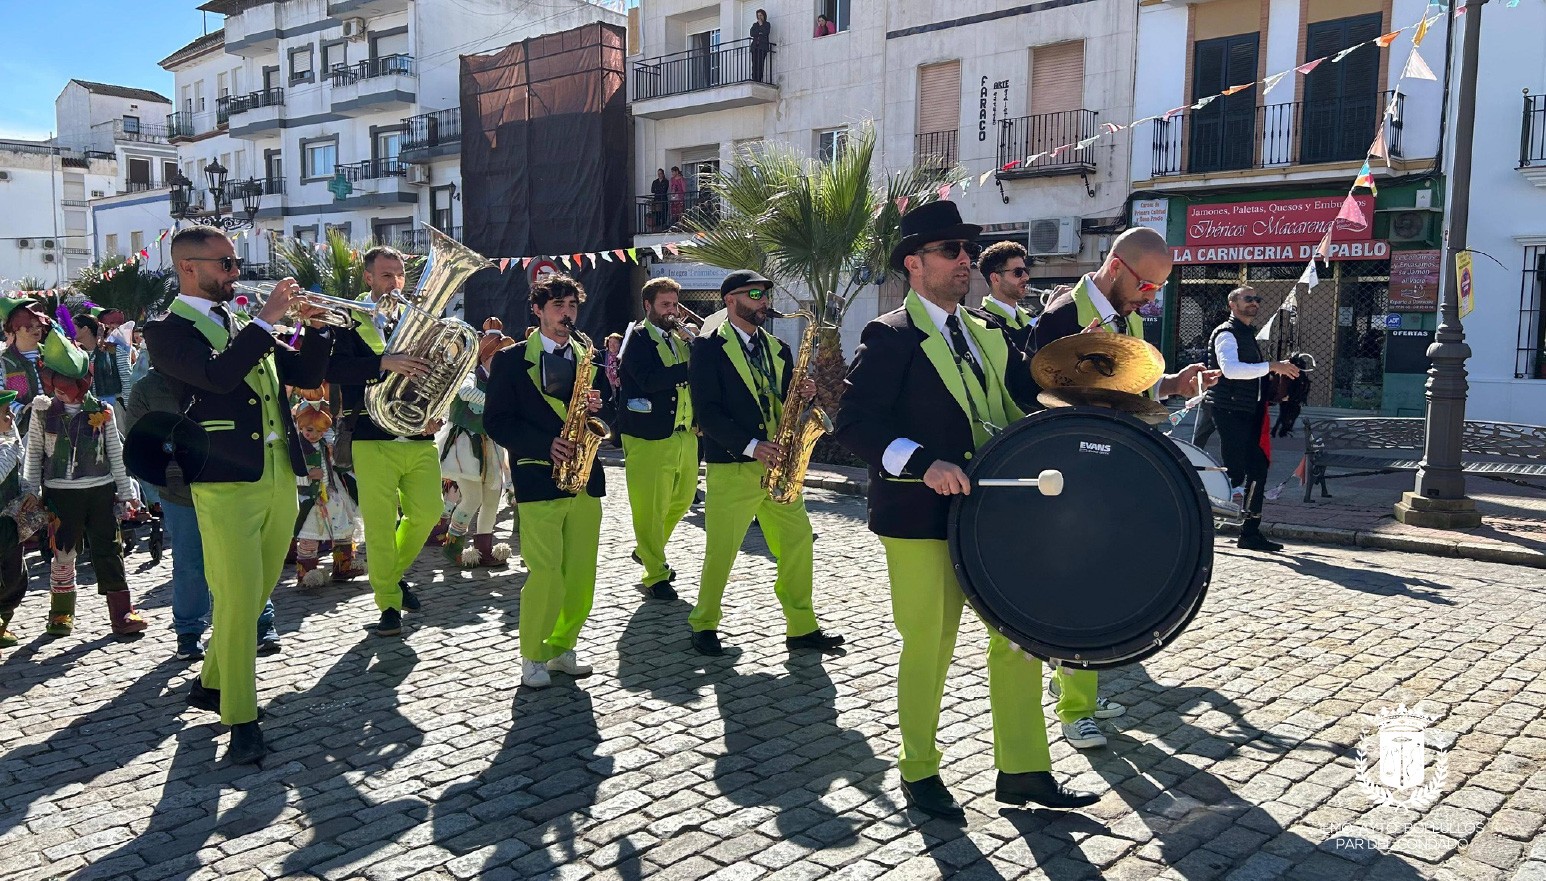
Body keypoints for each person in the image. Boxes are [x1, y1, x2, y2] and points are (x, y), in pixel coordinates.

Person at [834, 201, 1098, 820]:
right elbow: (854, 424)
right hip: (917, 518)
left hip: (994, 515)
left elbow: (1024, 404)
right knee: (929, 644)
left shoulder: (985, 332)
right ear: (914, 263)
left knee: (1018, 640)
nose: (964, 261)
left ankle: (1025, 771)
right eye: (949, 251)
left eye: (964, 250)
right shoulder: (891, 334)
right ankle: (919, 771)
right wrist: (923, 461)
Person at [144, 224, 330, 765]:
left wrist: (317, 329)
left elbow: (304, 373)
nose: (235, 273)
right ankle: (242, 718)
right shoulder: (167, 330)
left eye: (234, 262)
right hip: (222, 481)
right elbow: (218, 378)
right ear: (188, 268)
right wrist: (268, 319)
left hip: (276, 474)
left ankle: (210, 681)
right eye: (224, 264)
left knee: (255, 592)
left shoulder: (238, 321)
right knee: (240, 596)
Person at [1030, 226, 1217, 752]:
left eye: (1158, 290)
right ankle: (1075, 709)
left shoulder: (1125, 316)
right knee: (1076, 588)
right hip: (1067, 470)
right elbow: (1035, 394)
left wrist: (1173, 384)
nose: (1150, 298)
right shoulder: (1061, 316)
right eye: (1147, 286)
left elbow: (1128, 388)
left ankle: (1075, 687)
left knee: (1095, 580)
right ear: (1117, 267)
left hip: (1107, 464)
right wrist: (1075, 366)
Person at [686, 269, 844, 657]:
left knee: (798, 543)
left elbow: (785, 399)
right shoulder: (708, 348)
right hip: (734, 465)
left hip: (781, 465)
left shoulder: (778, 347)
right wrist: (752, 445)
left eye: (766, 295)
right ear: (730, 301)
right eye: (755, 294)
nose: (764, 302)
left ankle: (802, 627)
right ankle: (703, 623)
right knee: (721, 550)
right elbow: (707, 414)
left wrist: (805, 393)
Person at [484, 274, 605, 689]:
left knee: (581, 575)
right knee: (546, 573)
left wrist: (597, 405)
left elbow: (609, 417)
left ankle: (563, 646)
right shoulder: (511, 360)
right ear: (537, 310)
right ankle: (533, 654)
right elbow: (496, 421)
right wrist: (543, 443)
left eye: (572, 306)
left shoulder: (587, 356)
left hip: (585, 478)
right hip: (538, 476)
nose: (567, 314)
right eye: (558, 306)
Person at [123, 364, 281, 660]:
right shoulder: (147, 388)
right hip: (180, 490)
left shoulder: (218, 372)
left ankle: (261, 622)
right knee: (189, 563)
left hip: (227, 484)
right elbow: (137, 440)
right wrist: (158, 482)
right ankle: (189, 632)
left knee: (243, 555)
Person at [325, 245, 438, 637]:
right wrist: (382, 363)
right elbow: (333, 368)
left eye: (400, 274)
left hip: (416, 432)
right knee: (379, 524)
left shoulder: (418, 316)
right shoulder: (347, 318)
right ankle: (388, 602)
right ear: (368, 278)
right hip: (370, 433)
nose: (395, 282)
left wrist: (437, 405)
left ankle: (391, 574)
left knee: (427, 512)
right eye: (386, 275)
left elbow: (437, 369)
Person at [23, 359, 145, 638]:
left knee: (109, 549)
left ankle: (122, 612)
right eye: (56, 387)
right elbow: (34, 453)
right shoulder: (43, 412)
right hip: (60, 494)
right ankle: (61, 611)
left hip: (101, 492)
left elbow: (115, 452)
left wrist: (126, 493)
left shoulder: (103, 411)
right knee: (63, 552)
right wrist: (31, 490)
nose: (60, 393)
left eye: (66, 388)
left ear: (82, 385)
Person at [618, 277, 697, 601]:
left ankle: (647, 549)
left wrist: (696, 345)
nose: (672, 311)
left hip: (684, 433)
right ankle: (655, 572)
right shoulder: (637, 339)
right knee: (650, 508)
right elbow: (650, 380)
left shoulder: (679, 339)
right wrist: (688, 366)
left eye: (675, 304)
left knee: (683, 499)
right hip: (648, 436)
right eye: (665, 305)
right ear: (648, 306)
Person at [1206, 286, 1300, 553]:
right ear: (1232, 304)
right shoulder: (1226, 334)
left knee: (1257, 469)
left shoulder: (1247, 335)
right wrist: (1271, 366)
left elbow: (1250, 374)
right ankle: (1201, 516)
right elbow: (1231, 370)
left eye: (1257, 299)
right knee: (1234, 472)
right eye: (1248, 299)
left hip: (1250, 411)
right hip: (1229, 410)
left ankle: (1249, 532)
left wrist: (1274, 383)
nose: (1254, 303)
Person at [437, 320, 514, 568]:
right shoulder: (470, 375)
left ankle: (484, 549)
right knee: (471, 498)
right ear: (487, 355)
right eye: (498, 354)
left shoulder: (502, 381)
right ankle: (453, 545)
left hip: (491, 444)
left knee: (492, 498)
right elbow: (465, 393)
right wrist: (496, 403)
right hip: (465, 445)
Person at [293, 405, 366, 585]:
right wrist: (306, 476)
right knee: (309, 535)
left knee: (343, 529)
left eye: (319, 431)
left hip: (330, 494)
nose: (314, 434)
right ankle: (307, 573)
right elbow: (289, 473)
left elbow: (332, 466)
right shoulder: (296, 449)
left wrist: (333, 456)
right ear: (301, 427)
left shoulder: (324, 445)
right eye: (310, 430)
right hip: (309, 498)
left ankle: (343, 565)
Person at [0, 391, 44, 650]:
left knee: (14, 573)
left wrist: (30, 491)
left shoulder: (9, 441)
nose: (11, 416)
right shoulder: (8, 446)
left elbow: (25, 468)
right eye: (5, 414)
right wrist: (11, 447)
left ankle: (4, 620)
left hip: (10, 524)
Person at [976, 240, 1035, 354]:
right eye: (1018, 272)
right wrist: (1049, 313)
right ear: (995, 278)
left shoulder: (1031, 316)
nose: (1026, 277)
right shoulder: (982, 322)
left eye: (1026, 270)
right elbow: (1017, 347)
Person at [73, 313, 132, 412]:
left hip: (113, 409)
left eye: (72, 326)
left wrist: (128, 410)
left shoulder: (114, 350)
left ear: (85, 329)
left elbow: (127, 381)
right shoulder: (76, 354)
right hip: (88, 410)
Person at [750, 8, 771, 81]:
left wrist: (761, 25)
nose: (759, 17)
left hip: (762, 48)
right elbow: (752, 33)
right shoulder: (755, 25)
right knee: (754, 64)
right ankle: (754, 78)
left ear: (764, 16)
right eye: (758, 15)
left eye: (761, 15)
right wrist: (759, 32)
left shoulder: (767, 24)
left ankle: (759, 79)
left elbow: (766, 32)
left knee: (760, 64)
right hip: (755, 47)